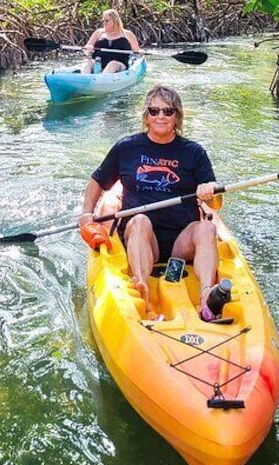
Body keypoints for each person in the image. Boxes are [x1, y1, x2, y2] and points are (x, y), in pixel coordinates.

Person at [77, 84, 222, 320]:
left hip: (181, 242)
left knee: (207, 227)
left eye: (168, 111)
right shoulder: (127, 147)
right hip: (142, 238)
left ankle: (207, 296)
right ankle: (141, 287)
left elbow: (215, 206)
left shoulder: (194, 152)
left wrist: (210, 191)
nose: (161, 117)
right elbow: (97, 180)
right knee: (140, 220)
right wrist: (86, 213)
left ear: (177, 116)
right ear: (146, 115)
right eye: (154, 111)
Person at [80, 9, 142, 74]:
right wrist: (88, 49)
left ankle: (101, 80)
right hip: (98, 62)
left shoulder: (127, 34)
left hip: (119, 64)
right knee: (87, 62)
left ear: (115, 21)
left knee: (112, 64)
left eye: (106, 21)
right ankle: (82, 79)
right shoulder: (99, 32)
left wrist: (140, 52)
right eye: (103, 21)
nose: (104, 23)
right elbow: (87, 48)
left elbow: (137, 51)